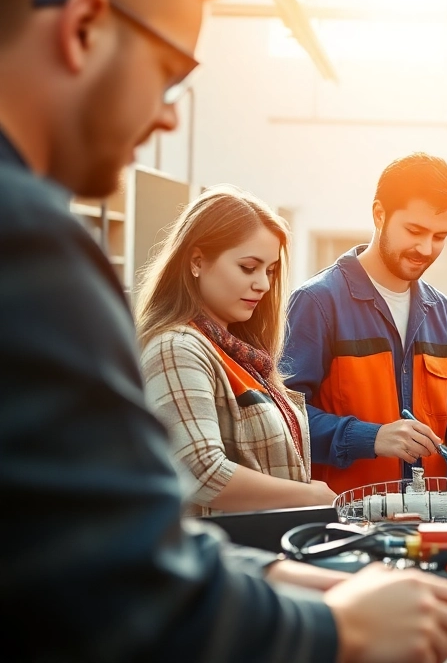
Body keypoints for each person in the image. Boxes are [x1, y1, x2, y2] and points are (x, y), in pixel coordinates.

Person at [0, 0, 447, 659]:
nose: (168, 119)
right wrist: (337, 628)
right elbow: (125, 585)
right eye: (168, 73)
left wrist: (292, 578)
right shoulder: (28, 239)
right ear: (83, 26)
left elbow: (123, 539)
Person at [285, 153, 447, 494]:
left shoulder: (442, 311)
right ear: (379, 214)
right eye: (415, 230)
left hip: (430, 520)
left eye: (440, 235)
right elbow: (284, 420)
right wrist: (371, 437)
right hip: (345, 522)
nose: (426, 248)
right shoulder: (317, 303)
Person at [137, 186, 336, 514]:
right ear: (197, 261)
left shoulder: (243, 355)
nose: (264, 284)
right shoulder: (177, 348)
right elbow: (201, 473)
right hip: (222, 558)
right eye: (248, 267)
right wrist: (309, 496)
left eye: (270, 270)